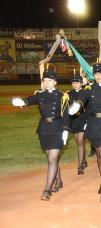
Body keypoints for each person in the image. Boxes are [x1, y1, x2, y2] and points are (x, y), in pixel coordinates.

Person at [12, 70, 70, 201]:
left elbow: (66, 115)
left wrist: (66, 130)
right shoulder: (40, 95)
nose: (46, 83)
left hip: (57, 129)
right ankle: (59, 181)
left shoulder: (62, 96)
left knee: (52, 160)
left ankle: (47, 190)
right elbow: (28, 101)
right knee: (52, 158)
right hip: (44, 129)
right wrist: (20, 102)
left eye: (49, 80)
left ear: (55, 82)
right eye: (44, 81)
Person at [69, 63, 101, 202]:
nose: (98, 75)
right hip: (93, 125)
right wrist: (77, 105)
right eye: (96, 73)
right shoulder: (89, 88)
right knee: (99, 154)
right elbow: (82, 99)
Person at [68, 74, 88, 175]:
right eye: (73, 83)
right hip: (73, 121)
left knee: (80, 141)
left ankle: (80, 167)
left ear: (81, 83)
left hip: (83, 120)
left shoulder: (85, 93)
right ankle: (83, 160)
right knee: (78, 142)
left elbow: (88, 108)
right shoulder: (68, 94)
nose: (75, 84)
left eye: (77, 82)